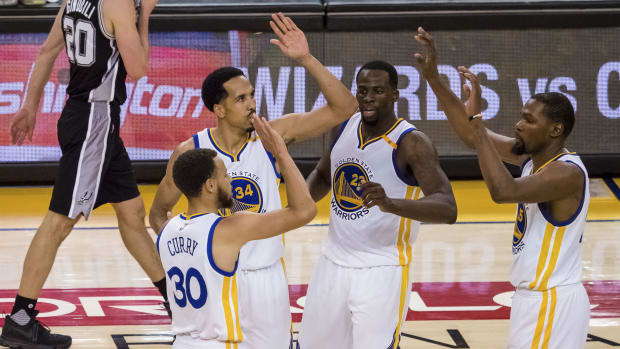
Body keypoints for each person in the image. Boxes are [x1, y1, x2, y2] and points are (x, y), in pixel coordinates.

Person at [148, 13, 358, 348]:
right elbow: (159, 214)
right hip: (216, 280)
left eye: (252, 96)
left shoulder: (274, 136)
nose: (252, 104)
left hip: (265, 279)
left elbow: (345, 107)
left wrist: (306, 58)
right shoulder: (192, 152)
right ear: (218, 109)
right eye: (241, 99)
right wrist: (190, 254)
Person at [1, 0, 168, 348]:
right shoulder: (119, 4)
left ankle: (174, 301)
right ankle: (20, 318)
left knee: (132, 213)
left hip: (85, 118)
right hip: (96, 119)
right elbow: (138, 69)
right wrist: (146, 15)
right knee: (59, 222)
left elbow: (47, 51)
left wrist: (30, 105)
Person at [414, 27, 590, 348]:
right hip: (533, 301)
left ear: (555, 129)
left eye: (528, 120)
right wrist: (433, 78)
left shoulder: (567, 174)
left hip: (552, 302)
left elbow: (502, 191)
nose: (518, 124)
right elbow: (472, 137)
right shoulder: (531, 158)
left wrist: (478, 122)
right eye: (521, 117)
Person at [298, 60, 457, 349]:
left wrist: (391, 204)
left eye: (378, 91)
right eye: (362, 90)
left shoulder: (412, 143)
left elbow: (447, 207)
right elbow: (323, 173)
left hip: (382, 268)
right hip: (332, 263)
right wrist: (300, 206)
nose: (368, 97)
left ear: (395, 95)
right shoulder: (343, 126)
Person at [158, 115, 315, 349]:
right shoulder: (227, 229)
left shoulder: (167, 229)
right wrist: (280, 152)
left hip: (183, 342)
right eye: (225, 175)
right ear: (210, 185)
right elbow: (305, 210)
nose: (230, 179)